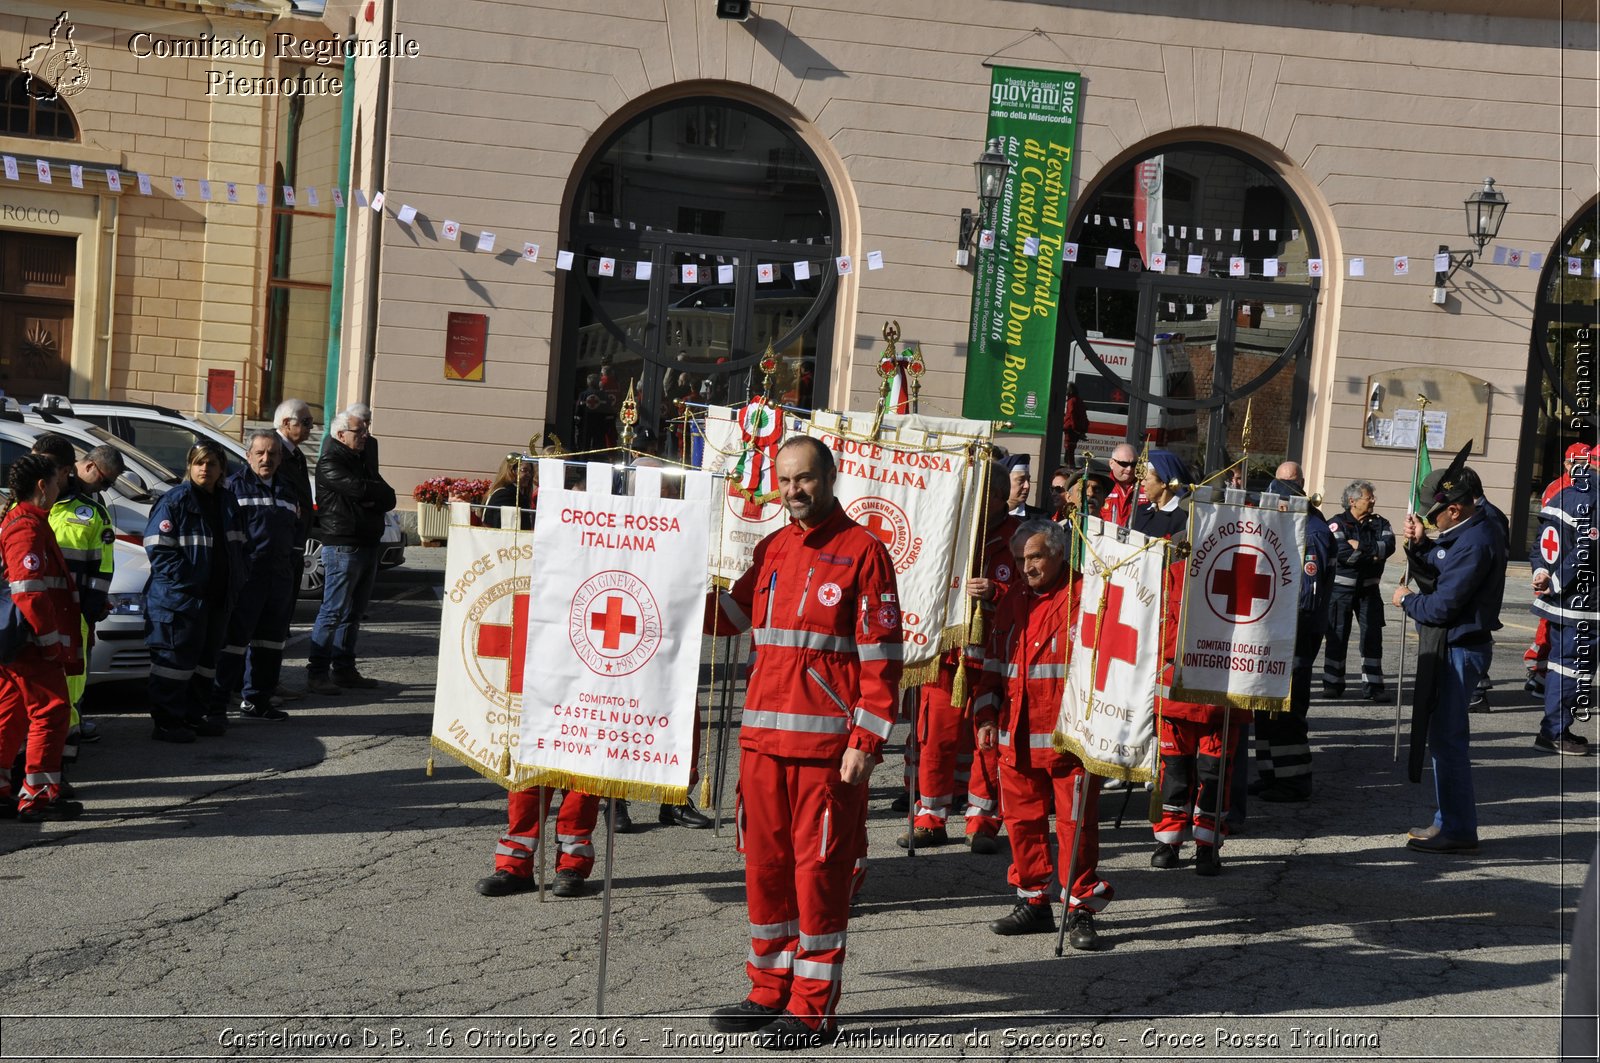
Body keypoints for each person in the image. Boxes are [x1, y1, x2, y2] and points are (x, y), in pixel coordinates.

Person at [705, 436, 902, 1050]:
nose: (794, 491)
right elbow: (732, 618)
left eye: (805, 478)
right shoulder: (770, 548)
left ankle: (814, 1007)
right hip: (763, 744)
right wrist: (673, 580)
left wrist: (867, 738)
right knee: (764, 872)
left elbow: (882, 655)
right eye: (785, 480)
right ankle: (769, 989)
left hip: (826, 755)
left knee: (819, 876)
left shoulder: (864, 552)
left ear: (830, 477)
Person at [973, 519, 1110, 950]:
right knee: (1022, 823)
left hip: (1069, 736)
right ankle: (1034, 902)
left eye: (1034, 557)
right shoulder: (1013, 598)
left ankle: (1081, 908)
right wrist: (986, 714)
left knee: (1076, 825)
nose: (1025, 567)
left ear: (1059, 554)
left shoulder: (1088, 596)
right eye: (1018, 559)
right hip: (1017, 734)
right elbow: (995, 661)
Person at [900, 462, 1016, 853]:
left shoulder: (1019, 538)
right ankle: (929, 818)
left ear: (999, 499)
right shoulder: (947, 530)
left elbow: (1030, 593)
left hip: (993, 661)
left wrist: (996, 590)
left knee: (988, 740)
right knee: (934, 738)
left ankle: (982, 821)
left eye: (983, 497)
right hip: (946, 658)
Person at [1137, 450, 1242, 875]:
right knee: (1175, 770)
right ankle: (1169, 841)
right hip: (1175, 692)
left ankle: (1207, 845)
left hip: (1220, 694)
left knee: (1214, 774)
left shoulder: (1237, 574)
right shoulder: (1169, 574)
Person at [1393, 461, 1506, 853]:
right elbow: (1442, 569)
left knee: (1448, 743)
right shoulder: (1469, 531)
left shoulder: (1476, 539)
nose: (1430, 517)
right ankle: (1449, 822)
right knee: (1444, 740)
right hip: (1456, 645)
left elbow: (1441, 606)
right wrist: (1423, 545)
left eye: (1433, 511)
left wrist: (1408, 600)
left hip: (1459, 647)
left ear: (1454, 508)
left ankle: (1457, 828)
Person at [143, 442, 246, 742]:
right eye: (199, 463)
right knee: (173, 665)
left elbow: (241, 548)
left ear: (221, 469)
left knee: (205, 664)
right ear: (189, 466)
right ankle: (166, 723)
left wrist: (237, 579)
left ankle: (193, 716)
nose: (205, 469)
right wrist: (193, 583)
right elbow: (159, 552)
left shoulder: (227, 502)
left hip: (216, 600)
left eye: (211, 463)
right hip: (181, 601)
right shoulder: (173, 502)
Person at [0, 454, 83, 821]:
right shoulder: (26, 527)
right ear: (41, 486)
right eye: (55, 482)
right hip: (30, 643)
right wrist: (50, 641)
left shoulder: (24, 521)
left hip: (18, 641)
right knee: (51, 711)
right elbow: (29, 591)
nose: (58, 488)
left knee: (13, 711)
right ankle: (37, 796)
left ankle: (4, 789)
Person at [29, 437, 123, 751]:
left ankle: (60, 764)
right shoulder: (19, 505)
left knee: (68, 693)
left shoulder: (90, 513)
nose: (105, 487)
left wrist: (91, 611)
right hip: (24, 617)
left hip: (70, 619)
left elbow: (102, 568)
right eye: (105, 480)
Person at [1251, 463, 1334, 803]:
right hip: (1277, 636)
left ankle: (1295, 780)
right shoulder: (1291, 525)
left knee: (1287, 710)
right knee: (1266, 708)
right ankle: (1271, 774)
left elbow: (1307, 598)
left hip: (1295, 637)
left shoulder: (1310, 531)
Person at [209, 431, 300, 722]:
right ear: (248, 456)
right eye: (260, 453)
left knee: (271, 644)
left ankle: (258, 701)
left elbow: (295, 533)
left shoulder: (287, 489)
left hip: (279, 579)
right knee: (233, 644)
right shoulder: (234, 488)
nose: (266, 459)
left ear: (280, 458)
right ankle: (218, 705)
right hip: (247, 580)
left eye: (272, 454)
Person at [307, 408, 396, 694]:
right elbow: (359, 491)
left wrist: (372, 496)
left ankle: (344, 669)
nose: (365, 435)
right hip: (344, 544)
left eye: (365, 430)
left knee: (354, 613)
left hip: (367, 542)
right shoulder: (331, 462)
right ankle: (317, 672)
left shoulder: (361, 460)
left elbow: (388, 496)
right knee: (333, 610)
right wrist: (371, 495)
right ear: (341, 434)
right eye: (360, 431)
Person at [1529, 446, 1593, 757]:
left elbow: (1541, 541)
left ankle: (1555, 729)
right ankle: (1554, 731)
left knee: (1561, 665)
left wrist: (1542, 572)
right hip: (1583, 603)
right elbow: (1585, 553)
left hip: (1561, 601)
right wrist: (1555, 580)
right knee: (1572, 667)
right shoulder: (1594, 498)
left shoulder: (1564, 493)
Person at [1323, 480, 1395, 700]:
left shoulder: (1381, 523)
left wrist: (1361, 546)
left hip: (1369, 592)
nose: (1373, 500)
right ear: (1353, 501)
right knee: (1337, 636)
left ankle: (1374, 687)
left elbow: (1388, 547)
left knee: (1372, 638)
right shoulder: (1336, 524)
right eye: (1368, 497)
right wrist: (1372, 554)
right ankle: (1333, 684)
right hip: (1340, 593)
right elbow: (1344, 555)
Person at [270, 399, 317, 703]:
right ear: (287, 424)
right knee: (271, 619)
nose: (311, 428)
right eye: (306, 422)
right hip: (280, 547)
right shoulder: (275, 453)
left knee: (282, 620)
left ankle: (272, 679)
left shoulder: (294, 454)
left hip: (295, 545)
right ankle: (263, 683)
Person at [1099, 442, 1141, 526]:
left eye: (1133, 464)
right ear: (1111, 463)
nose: (1129, 469)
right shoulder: (1100, 486)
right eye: (1124, 464)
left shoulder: (1145, 488)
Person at [1003, 454, 1044, 519]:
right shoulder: (988, 516)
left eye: (1028, 480)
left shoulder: (1041, 518)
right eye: (1020, 480)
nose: (1027, 486)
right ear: (1005, 481)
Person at [1062, 381, 1089, 470]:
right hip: (1078, 428)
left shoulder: (1071, 400)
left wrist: (1073, 427)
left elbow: (1071, 414)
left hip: (1071, 428)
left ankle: (1069, 467)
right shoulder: (1079, 399)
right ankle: (1068, 465)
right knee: (1070, 448)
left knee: (1069, 448)